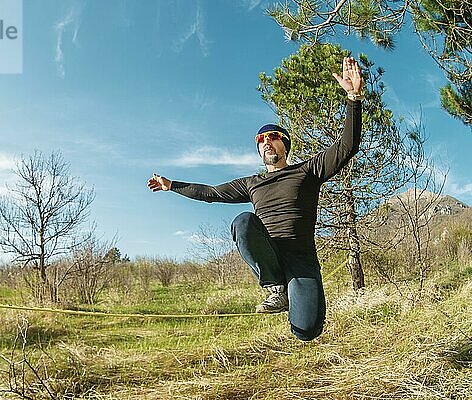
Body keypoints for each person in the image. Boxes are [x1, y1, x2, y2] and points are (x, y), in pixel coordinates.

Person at [147, 56, 363, 341]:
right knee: (244, 221)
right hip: (270, 255)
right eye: (260, 141)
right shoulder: (252, 184)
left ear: (284, 143)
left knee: (307, 331)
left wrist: (353, 96)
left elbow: (348, 145)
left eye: (272, 137)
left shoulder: (308, 171)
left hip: (301, 259)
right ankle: (276, 286)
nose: (266, 143)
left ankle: (295, 298)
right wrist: (172, 185)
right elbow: (210, 193)